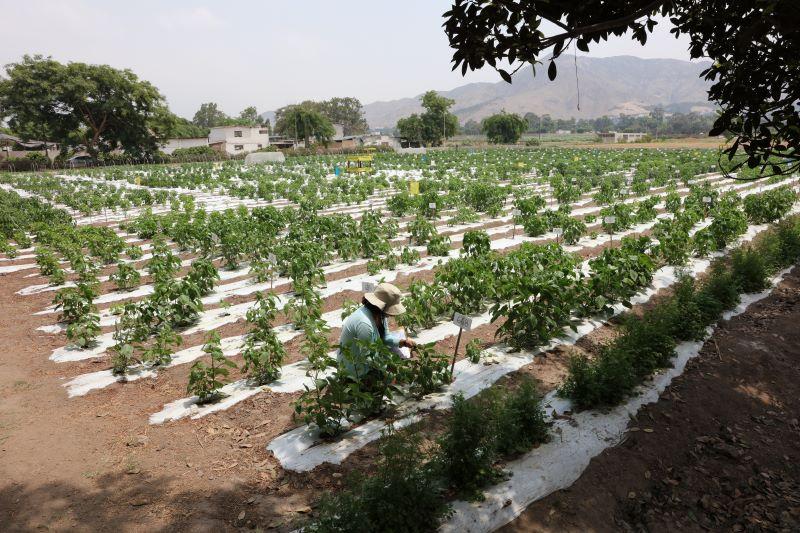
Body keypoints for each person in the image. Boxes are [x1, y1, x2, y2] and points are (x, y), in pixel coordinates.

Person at [337, 282, 416, 379]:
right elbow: (367, 358)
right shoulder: (364, 324)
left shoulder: (379, 315)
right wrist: (390, 371)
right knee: (392, 379)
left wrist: (403, 342)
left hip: (369, 358)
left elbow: (385, 337)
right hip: (355, 370)